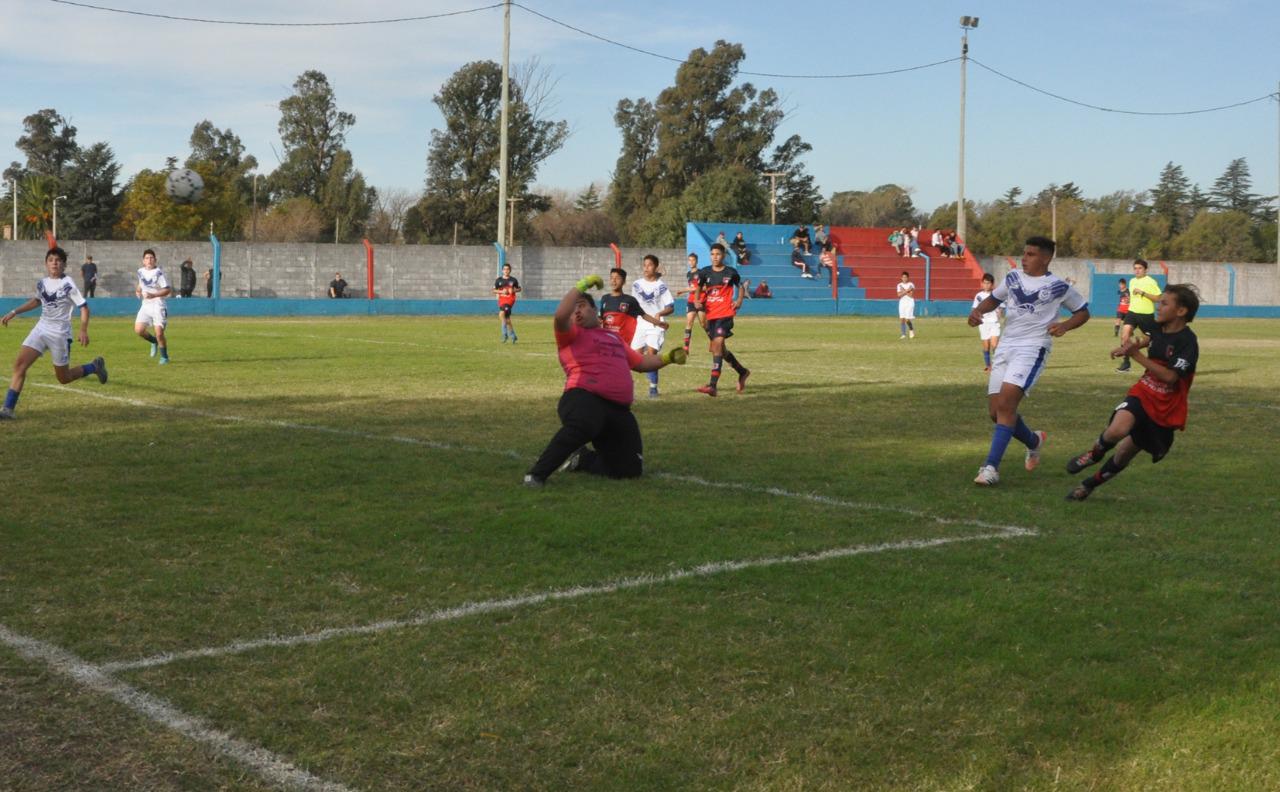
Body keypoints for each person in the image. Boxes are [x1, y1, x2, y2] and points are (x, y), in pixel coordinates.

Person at [523, 276, 687, 487]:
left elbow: (640, 363)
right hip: (583, 398)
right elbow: (560, 315)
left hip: (618, 409)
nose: (576, 312)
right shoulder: (570, 334)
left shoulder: (614, 338)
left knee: (629, 469)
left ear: (595, 310)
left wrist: (668, 358)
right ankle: (536, 475)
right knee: (583, 425)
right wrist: (581, 286)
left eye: (581, 306)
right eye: (574, 309)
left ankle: (583, 459)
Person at [968, 236, 1090, 486]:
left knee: (1005, 405)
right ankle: (1034, 441)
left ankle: (991, 468)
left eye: (1031, 254)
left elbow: (1083, 312)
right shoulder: (1013, 278)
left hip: (1032, 349)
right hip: (1006, 346)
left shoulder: (1058, 286)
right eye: (1024, 253)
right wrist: (980, 311)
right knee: (996, 412)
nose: (1024, 258)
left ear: (1046, 258)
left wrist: (1065, 326)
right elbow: (995, 299)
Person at [1065, 285, 1200, 501]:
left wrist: (1135, 354)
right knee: (1117, 430)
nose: (1159, 305)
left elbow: (1171, 377)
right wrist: (1129, 347)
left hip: (1166, 408)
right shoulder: (1158, 327)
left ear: (1181, 311)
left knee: (1123, 454)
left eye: (1165, 303)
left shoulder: (1188, 342)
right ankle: (1093, 455)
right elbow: (1150, 340)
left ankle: (1089, 484)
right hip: (1144, 392)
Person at [1, 247, 107, 420]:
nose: (54, 263)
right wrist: (14, 312)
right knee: (19, 365)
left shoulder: (68, 284)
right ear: (46, 264)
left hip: (60, 333)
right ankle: (7, 409)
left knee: (64, 378)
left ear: (63, 265)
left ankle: (94, 367)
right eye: (51, 260)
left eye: (58, 260)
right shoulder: (42, 283)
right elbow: (37, 301)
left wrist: (83, 330)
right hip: (41, 327)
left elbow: (84, 308)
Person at [694, 243, 749, 396]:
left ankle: (712, 385)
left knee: (717, 345)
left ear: (723, 255)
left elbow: (741, 286)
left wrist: (739, 301)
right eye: (712, 254)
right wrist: (697, 300)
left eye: (718, 254)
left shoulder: (731, 272)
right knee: (720, 351)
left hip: (725, 314)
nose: (715, 257)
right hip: (711, 315)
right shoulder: (705, 272)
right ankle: (742, 372)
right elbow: (698, 287)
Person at [630, 255, 675, 398]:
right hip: (641, 323)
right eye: (644, 265)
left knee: (651, 354)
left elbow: (671, 306)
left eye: (649, 265)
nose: (646, 268)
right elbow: (634, 306)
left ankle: (653, 388)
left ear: (656, 267)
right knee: (634, 358)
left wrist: (660, 313)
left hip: (656, 325)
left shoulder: (661, 286)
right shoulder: (636, 285)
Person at [1117, 259, 1161, 372]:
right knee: (1125, 335)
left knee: (1148, 341)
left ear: (1145, 270)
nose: (1137, 271)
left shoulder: (1151, 281)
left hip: (1146, 315)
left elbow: (1158, 298)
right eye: (1135, 268)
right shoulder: (1131, 281)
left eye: (1140, 268)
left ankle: (1153, 363)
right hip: (1132, 313)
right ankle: (1126, 364)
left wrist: (1143, 293)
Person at [134, 249, 171, 365]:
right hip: (146, 305)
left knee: (159, 333)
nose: (149, 260)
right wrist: (138, 290)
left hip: (158, 305)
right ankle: (153, 342)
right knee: (139, 330)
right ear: (143, 261)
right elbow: (141, 283)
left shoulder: (158, 273)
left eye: (151, 258)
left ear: (155, 260)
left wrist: (154, 295)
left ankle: (164, 357)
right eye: (146, 258)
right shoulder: (140, 271)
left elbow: (167, 290)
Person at [674, 253, 704, 354]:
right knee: (689, 322)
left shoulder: (701, 273)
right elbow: (690, 287)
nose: (691, 262)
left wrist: (692, 289)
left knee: (703, 324)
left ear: (697, 261)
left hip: (700, 301)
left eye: (693, 260)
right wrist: (682, 291)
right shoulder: (688, 274)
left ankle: (714, 342)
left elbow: (704, 287)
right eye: (689, 260)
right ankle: (686, 347)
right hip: (691, 301)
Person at [972, 273, 1002, 371]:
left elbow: (1001, 306)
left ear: (992, 284)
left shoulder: (996, 295)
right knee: (986, 346)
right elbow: (975, 308)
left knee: (994, 344)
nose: (986, 285)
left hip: (994, 323)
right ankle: (988, 365)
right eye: (984, 283)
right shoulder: (979, 296)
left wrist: (999, 312)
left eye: (988, 283)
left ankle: (997, 365)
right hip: (984, 323)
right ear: (982, 284)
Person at [493, 263, 522, 343]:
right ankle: (513, 335)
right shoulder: (498, 280)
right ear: (502, 270)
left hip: (510, 300)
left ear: (510, 270)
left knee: (501, 314)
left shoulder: (513, 280)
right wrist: (502, 291)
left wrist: (513, 290)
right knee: (507, 319)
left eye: (507, 269)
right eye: (504, 269)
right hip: (502, 300)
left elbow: (519, 289)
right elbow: (494, 290)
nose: (506, 271)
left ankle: (504, 334)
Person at [896, 271, 916, 339]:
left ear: (908, 278)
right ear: (901, 278)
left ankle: (911, 330)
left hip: (910, 302)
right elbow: (899, 295)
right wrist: (907, 290)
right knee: (902, 319)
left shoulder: (911, 284)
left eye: (905, 277)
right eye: (903, 277)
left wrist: (903, 290)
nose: (904, 278)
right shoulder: (899, 285)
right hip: (902, 303)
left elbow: (910, 295)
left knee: (907, 319)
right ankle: (903, 334)